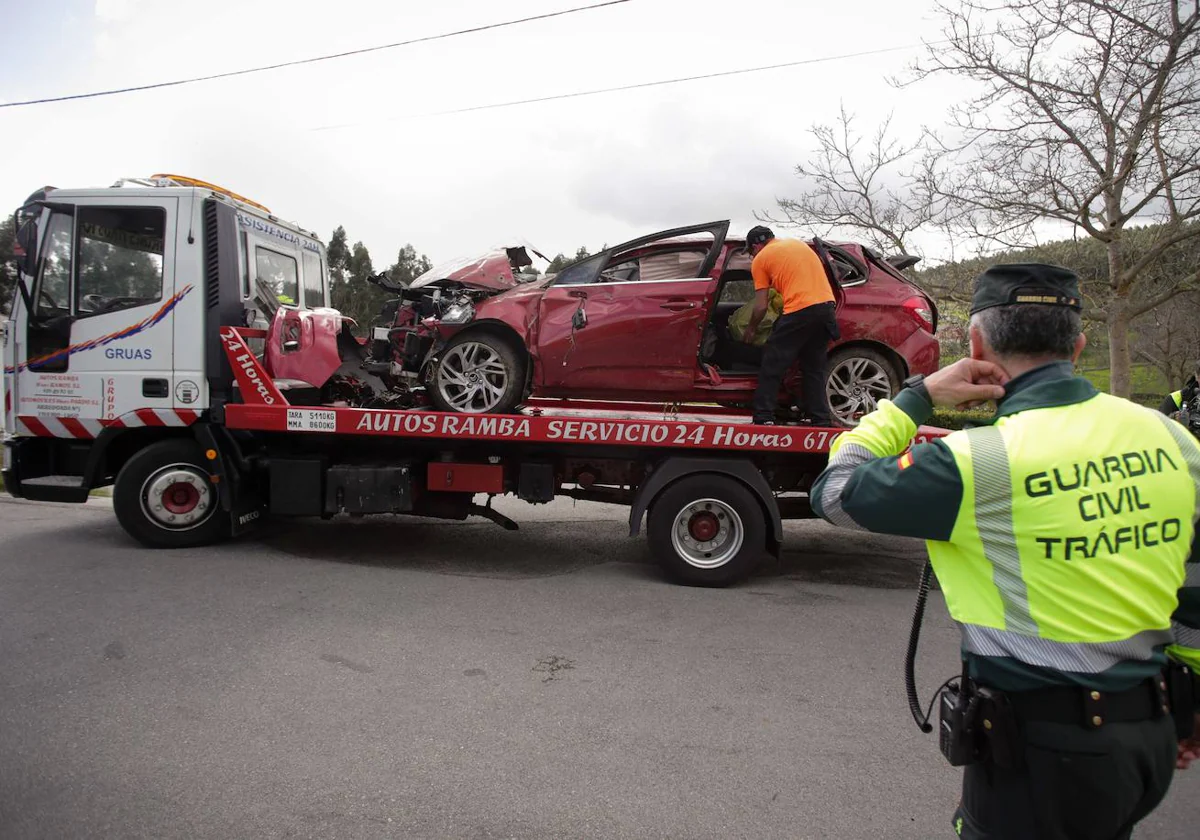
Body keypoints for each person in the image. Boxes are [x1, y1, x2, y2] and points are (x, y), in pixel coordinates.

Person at [809, 263, 1200, 839]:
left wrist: (914, 400)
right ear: (1080, 344)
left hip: (1042, 754)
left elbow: (835, 493)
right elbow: (1194, 585)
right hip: (1147, 737)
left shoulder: (976, 463)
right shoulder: (1174, 439)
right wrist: (1189, 706)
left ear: (976, 344)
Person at [742, 225, 839, 426]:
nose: (751, 256)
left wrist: (751, 329)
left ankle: (763, 416)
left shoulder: (761, 259)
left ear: (756, 246)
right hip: (826, 309)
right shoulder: (798, 245)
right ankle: (820, 419)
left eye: (750, 252)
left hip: (800, 310)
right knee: (813, 367)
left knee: (772, 362)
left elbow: (761, 305)